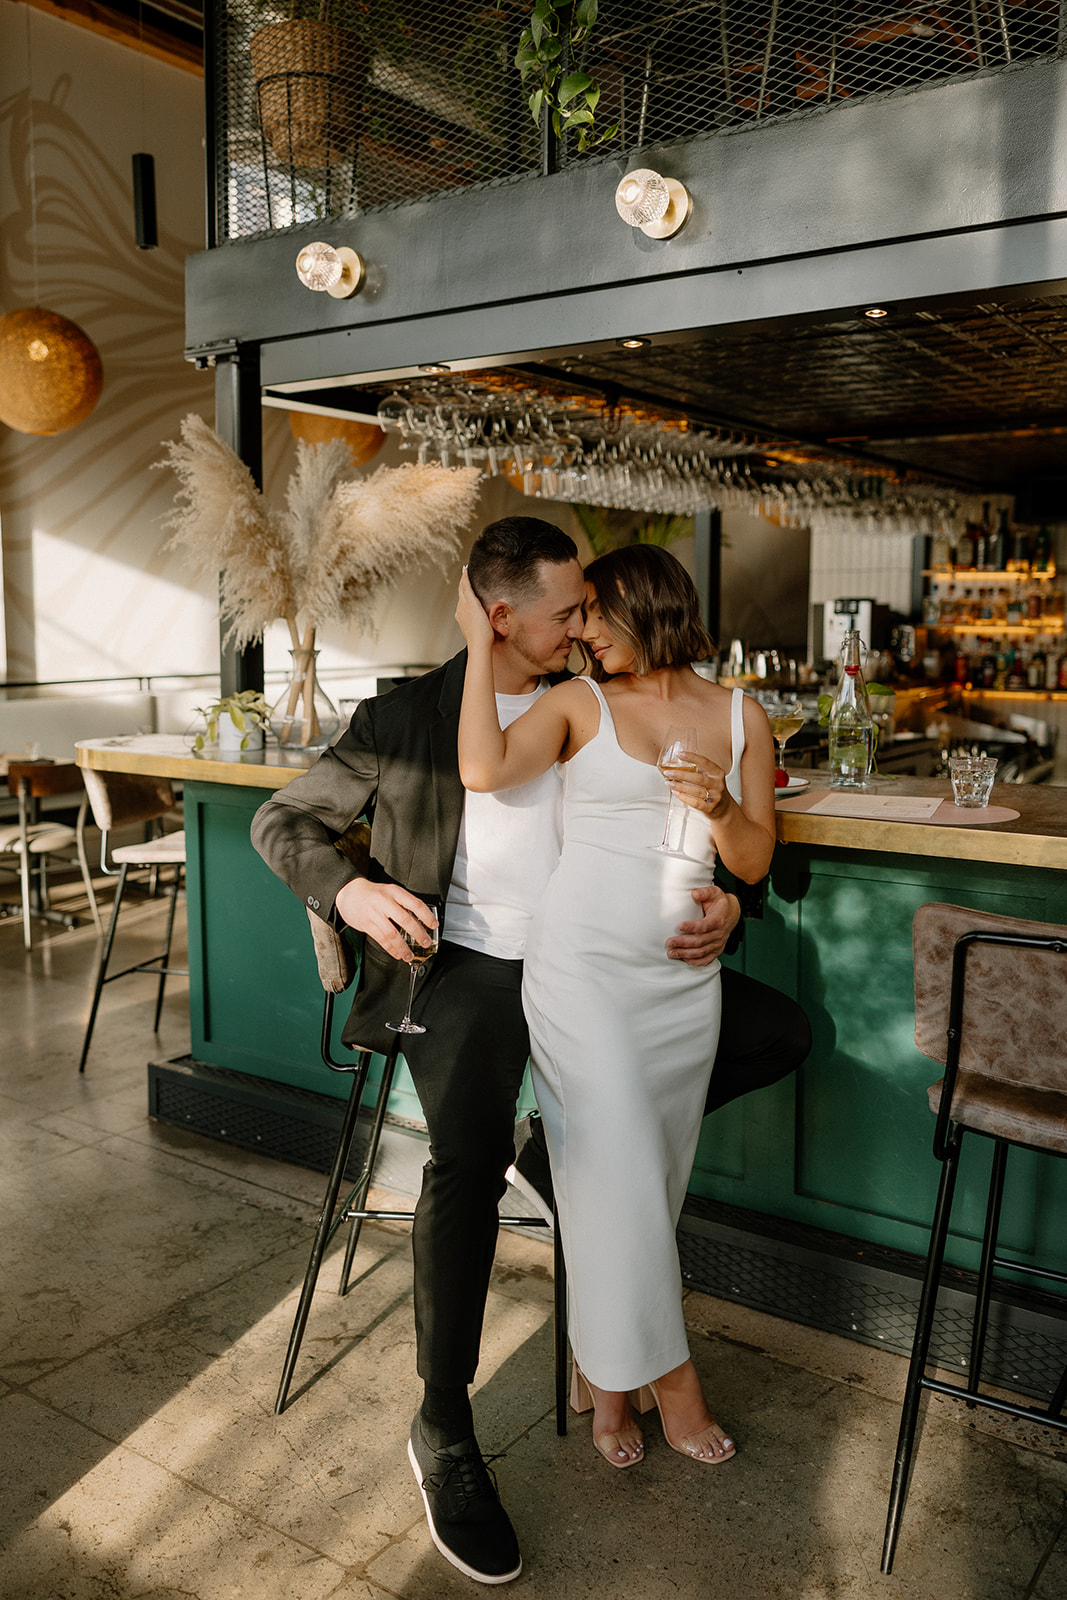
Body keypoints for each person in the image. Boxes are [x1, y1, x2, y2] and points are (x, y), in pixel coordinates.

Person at [251, 517, 805, 1585]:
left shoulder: (605, 698)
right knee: (459, 1163)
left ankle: (557, 1158)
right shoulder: (409, 715)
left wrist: (725, 907)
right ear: (499, 614)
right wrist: (354, 891)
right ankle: (444, 1426)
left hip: (605, 968)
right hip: (463, 970)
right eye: (567, 609)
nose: (584, 622)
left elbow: (688, 836)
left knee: (775, 1028)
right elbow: (283, 823)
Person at [455, 541, 777, 1475]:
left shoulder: (740, 714)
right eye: (577, 614)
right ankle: (673, 1385)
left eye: (595, 611)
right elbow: (483, 769)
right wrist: (481, 642)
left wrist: (719, 809)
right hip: (581, 972)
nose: (582, 630)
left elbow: (751, 861)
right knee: (627, 1176)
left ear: (646, 606)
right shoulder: (576, 704)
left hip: (682, 986)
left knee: (643, 1185)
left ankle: (603, 1373)